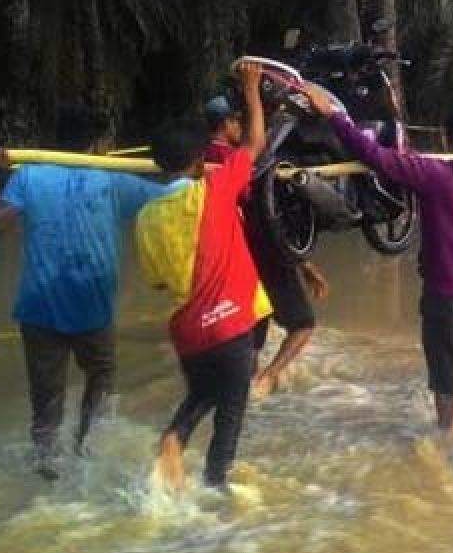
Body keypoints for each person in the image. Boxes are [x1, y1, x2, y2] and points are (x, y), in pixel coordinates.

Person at [0, 106, 162, 480]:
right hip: (92, 308)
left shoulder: (28, 176)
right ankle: (87, 446)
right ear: (97, 144)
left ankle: (46, 466)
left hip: (39, 308)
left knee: (46, 402)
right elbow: (173, 196)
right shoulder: (113, 181)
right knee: (103, 376)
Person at [321, 99, 453, 459]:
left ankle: (449, 440)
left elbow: (374, 155)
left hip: (443, 296)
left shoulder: (432, 174)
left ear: (444, 138)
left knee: (444, 381)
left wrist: (335, 117)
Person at [137, 61, 273, 490]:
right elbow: (255, 144)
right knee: (229, 422)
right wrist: (251, 90)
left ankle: (174, 438)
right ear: (200, 161)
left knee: (201, 396)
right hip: (232, 329)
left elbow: (158, 281)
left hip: (190, 336)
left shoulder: (146, 217)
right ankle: (218, 495)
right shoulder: (215, 189)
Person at [202, 95, 328, 399]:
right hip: (262, 253)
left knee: (253, 334)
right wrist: (304, 264)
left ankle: (244, 392)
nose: (242, 127)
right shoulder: (236, 162)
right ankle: (268, 378)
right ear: (228, 123)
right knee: (303, 324)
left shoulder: (200, 160)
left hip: (230, 261)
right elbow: (268, 220)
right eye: (238, 121)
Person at [204, 96, 242, 163]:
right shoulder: (228, 155)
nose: (238, 125)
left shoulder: (204, 150)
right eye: (233, 120)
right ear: (222, 125)